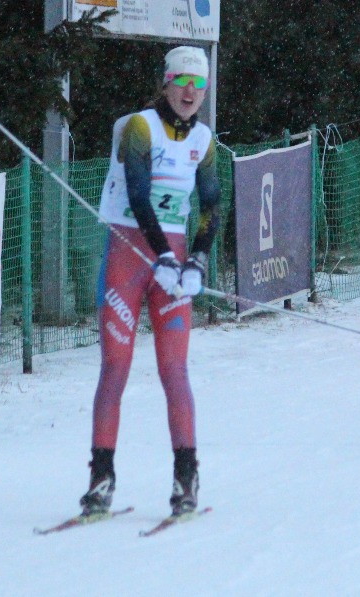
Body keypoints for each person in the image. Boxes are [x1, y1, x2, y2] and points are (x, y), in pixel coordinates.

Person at [80, 45, 222, 518]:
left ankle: (186, 479)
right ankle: (101, 479)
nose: (190, 92)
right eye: (182, 81)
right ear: (166, 82)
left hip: (172, 263)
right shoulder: (140, 127)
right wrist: (162, 254)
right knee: (115, 368)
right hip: (129, 256)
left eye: (198, 84)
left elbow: (212, 205)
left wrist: (196, 260)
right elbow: (139, 194)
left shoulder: (203, 140)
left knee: (175, 370)